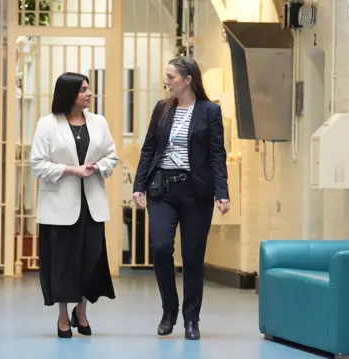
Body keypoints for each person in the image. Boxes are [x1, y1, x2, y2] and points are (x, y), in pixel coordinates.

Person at [132, 56, 230, 340]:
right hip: (162, 190)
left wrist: (222, 192)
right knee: (161, 248)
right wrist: (139, 185)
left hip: (196, 192)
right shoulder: (162, 108)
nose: (167, 81)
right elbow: (148, 148)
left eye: (171, 77)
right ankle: (169, 310)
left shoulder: (210, 111)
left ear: (188, 80)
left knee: (193, 257)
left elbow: (216, 154)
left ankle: (191, 319)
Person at [30, 72, 119, 339]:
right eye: (83, 90)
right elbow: (38, 163)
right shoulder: (47, 124)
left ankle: (81, 312)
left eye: (89, 89)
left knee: (88, 261)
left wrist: (97, 167)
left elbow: (111, 157)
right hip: (59, 209)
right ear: (69, 94)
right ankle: (62, 317)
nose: (89, 93)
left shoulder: (99, 122)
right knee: (63, 263)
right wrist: (72, 170)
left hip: (91, 207)